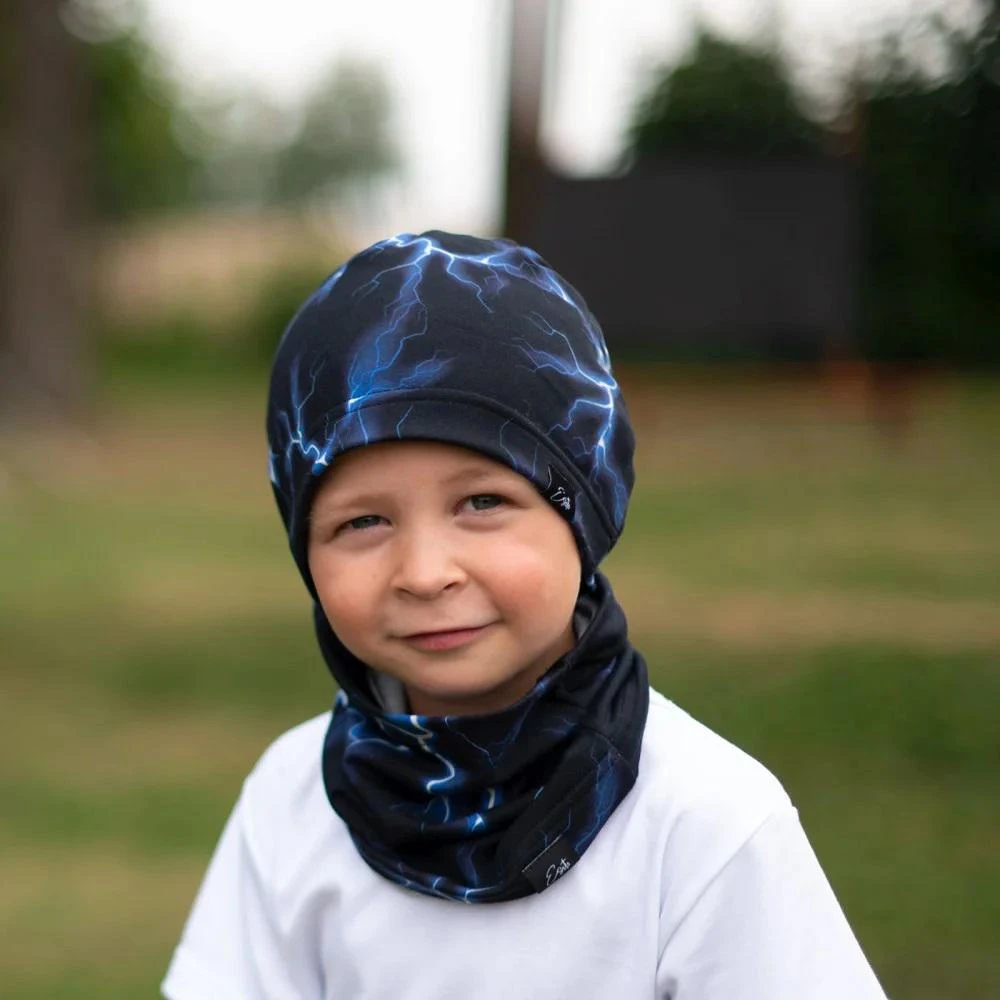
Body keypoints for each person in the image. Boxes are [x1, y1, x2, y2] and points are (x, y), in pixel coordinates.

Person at [162, 231, 887, 999]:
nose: (425, 574)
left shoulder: (702, 823)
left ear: (585, 509)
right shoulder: (294, 798)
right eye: (362, 521)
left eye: (482, 502)